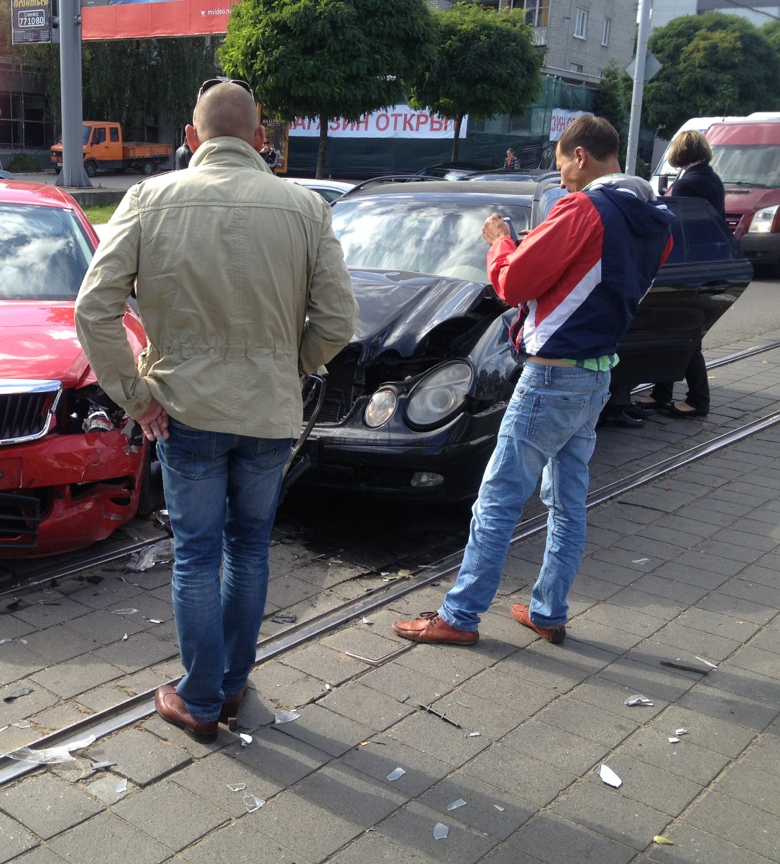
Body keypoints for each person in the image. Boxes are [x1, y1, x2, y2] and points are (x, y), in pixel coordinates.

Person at [74, 78, 358, 742]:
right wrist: (289, 367)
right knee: (250, 549)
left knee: (197, 554)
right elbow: (339, 320)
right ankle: (230, 687)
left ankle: (200, 699)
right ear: (262, 139)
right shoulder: (306, 207)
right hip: (268, 413)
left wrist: (136, 398)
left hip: (183, 412)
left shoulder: (147, 199)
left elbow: (94, 310)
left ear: (190, 138)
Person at [393, 115, 674, 647]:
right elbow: (588, 282)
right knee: (567, 501)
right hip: (597, 373)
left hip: (552, 375)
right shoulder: (656, 221)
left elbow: (514, 281)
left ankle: (460, 614)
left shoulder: (584, 207)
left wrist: (500, 242)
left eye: (563, 162)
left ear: (582, 157)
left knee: (497, 499)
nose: (561, 175)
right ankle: (548, 609)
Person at [635, 129, 724, 419]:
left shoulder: (688, 185)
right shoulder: (711, 179)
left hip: (686, 267)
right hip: (707, 263)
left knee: (684, 335)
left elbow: (676, 229)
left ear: (679, 152)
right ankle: (661, 393)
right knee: (677, 330)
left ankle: (698, 399)